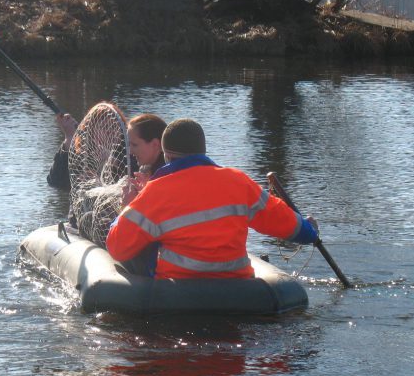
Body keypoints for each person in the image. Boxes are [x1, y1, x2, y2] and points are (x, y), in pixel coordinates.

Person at [106, 118, 319, 280]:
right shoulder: (238, 181)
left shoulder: (154, 192)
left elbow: (118, 247)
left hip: (178, 288)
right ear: (203, 151)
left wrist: (127, 208)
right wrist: (310, 232)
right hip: (236, 284)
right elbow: (286, 223)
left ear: (166, 156)